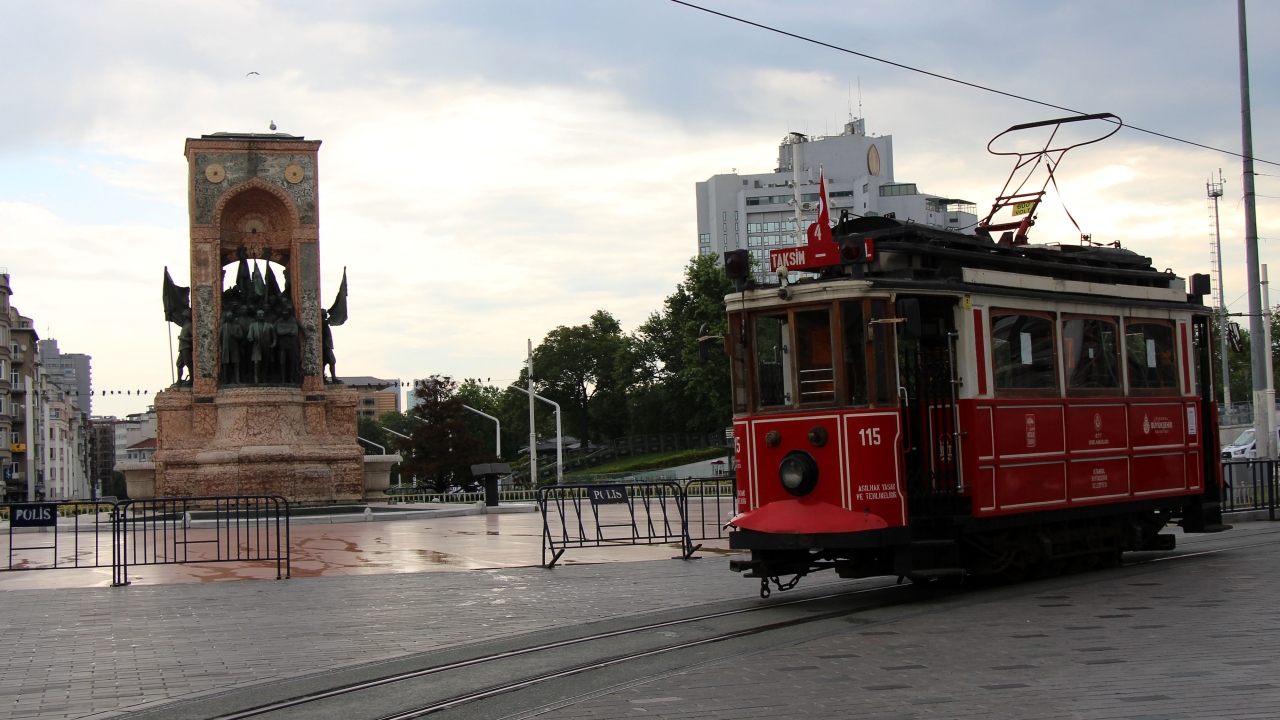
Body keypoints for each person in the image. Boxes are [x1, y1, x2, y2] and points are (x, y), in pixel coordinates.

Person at [246, 310, 277, 384]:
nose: (261, 316)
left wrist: (273, 344)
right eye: (259, 314)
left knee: (265, 362)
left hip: (266, 345)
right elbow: (249, 334)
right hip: (257, 345)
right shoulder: (253, 325)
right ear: (257, 316)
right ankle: (256, 378)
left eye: (262, 314)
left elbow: (274, 336)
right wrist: (250, 338)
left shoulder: (270, 325)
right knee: (257, 362)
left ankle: (263, 377)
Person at [218, 308, 244, 384]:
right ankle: (226, 380)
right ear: (226, 317)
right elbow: (219, 339)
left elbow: (241, 336)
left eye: (231, 316)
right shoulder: (223, 327)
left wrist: (235, 336)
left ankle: (237, 380)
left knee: (236, 364)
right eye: (229, 316)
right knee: (226, 365)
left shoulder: (237, 326)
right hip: (226, 348)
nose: (230, 317)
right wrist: (220, 348)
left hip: (235, 348)